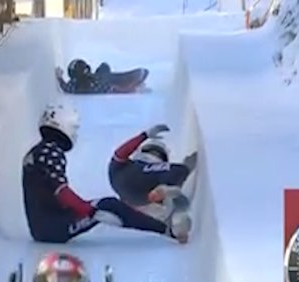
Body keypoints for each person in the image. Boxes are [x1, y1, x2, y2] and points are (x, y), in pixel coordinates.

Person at [22, 103, 190, 244]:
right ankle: (166, 230)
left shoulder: (37, 151)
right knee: (110, 205)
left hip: (43, 224)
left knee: (109, 204)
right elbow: (61, 191)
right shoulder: (51, 152)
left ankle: (159, 218)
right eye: (74, 128)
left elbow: (50, 192)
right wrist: (89, 211)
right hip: (53, 227)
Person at [108, 124, 198, 223]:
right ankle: (171, 206)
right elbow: (120, 153)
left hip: (131, 199)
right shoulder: (152, 168)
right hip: (146, 190)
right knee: (178, 173)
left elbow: (120, 153)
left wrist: (144, 135)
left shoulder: (119, 169)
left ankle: (169, 216)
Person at [55, 59, 133, 94]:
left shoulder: (73, 85)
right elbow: (112, 89)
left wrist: (59, 77)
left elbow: (65, 87)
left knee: (104, 68)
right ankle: (126, 81)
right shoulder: (93, 84)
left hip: (102, 80)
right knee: (104, 67)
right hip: (106, 81)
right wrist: (131, 90)